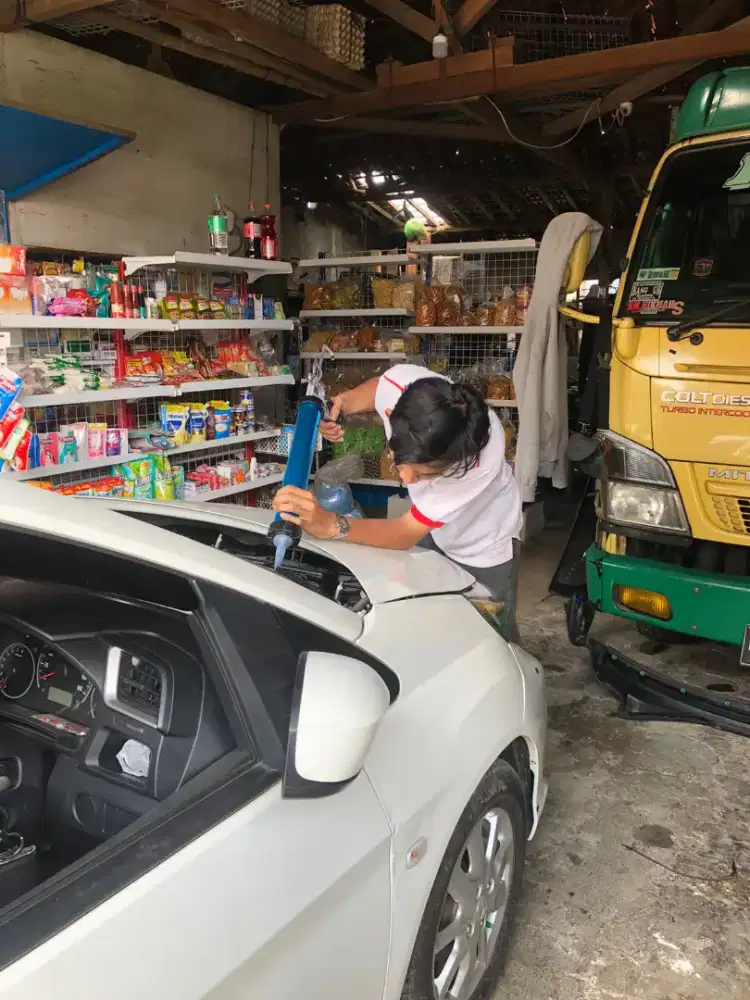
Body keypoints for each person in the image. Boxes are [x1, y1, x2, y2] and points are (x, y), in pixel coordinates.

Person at [272, 364, 523, 642]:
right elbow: (381, 387)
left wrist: (332, 525)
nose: (407, 479)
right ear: (391, 416)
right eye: (401, 460)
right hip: (435, 530)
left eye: (425, 473)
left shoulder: (475, 466)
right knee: (430, 615)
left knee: (490, 634)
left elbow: (403, 532)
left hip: (483, 542)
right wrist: (343, 405)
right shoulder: (407, 391)